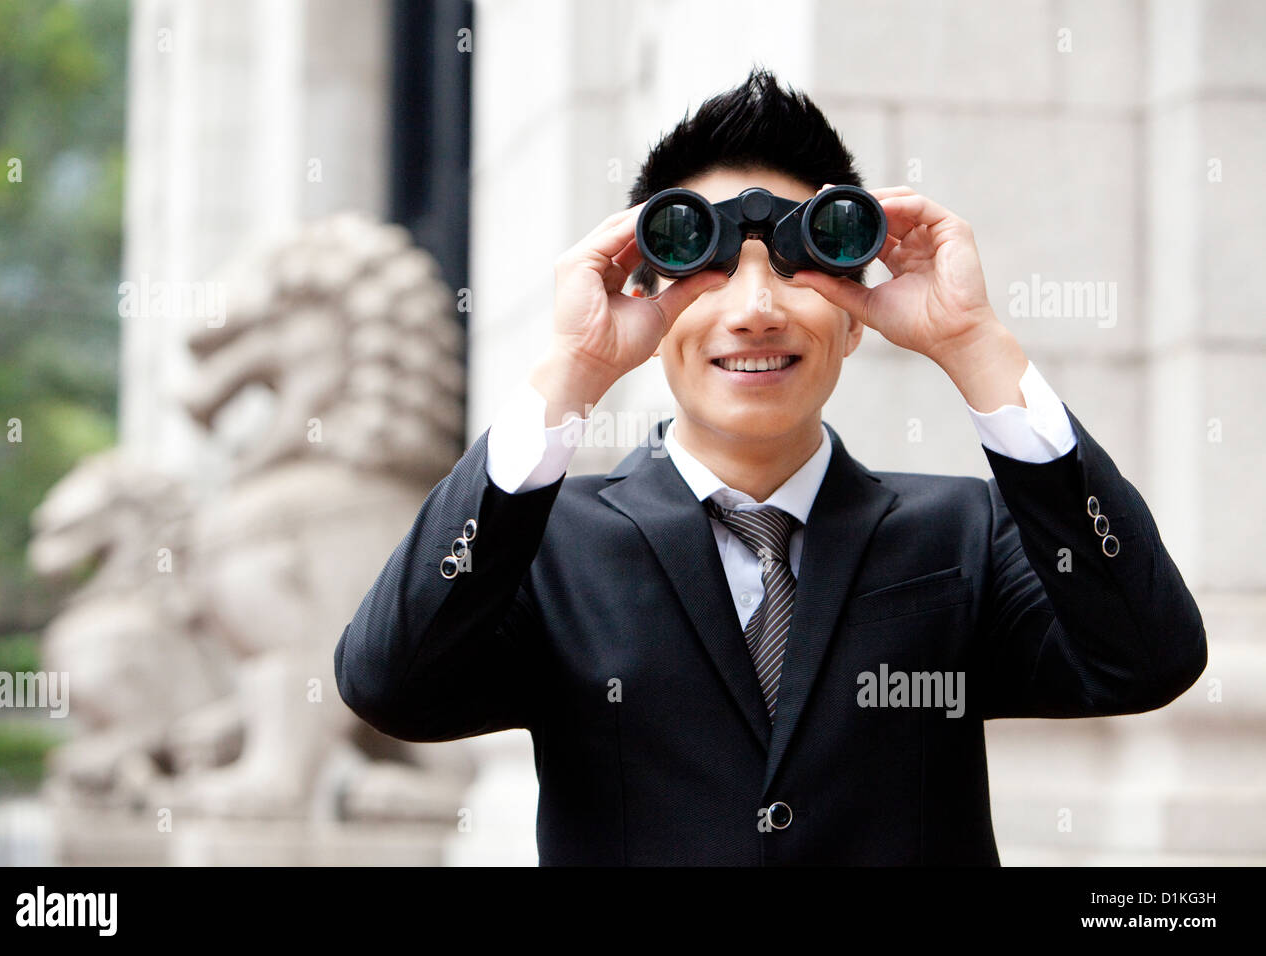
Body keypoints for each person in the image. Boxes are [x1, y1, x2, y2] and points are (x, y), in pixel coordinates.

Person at [333, 68, 1206, 865]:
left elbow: (1148, 656)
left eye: (796, 267)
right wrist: (573, 368)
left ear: (858, 318)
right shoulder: (550, 543)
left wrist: (976, 345)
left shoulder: (965, 532)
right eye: (708, 268)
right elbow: (391, 684)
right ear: (650, 300)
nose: (754, 310)